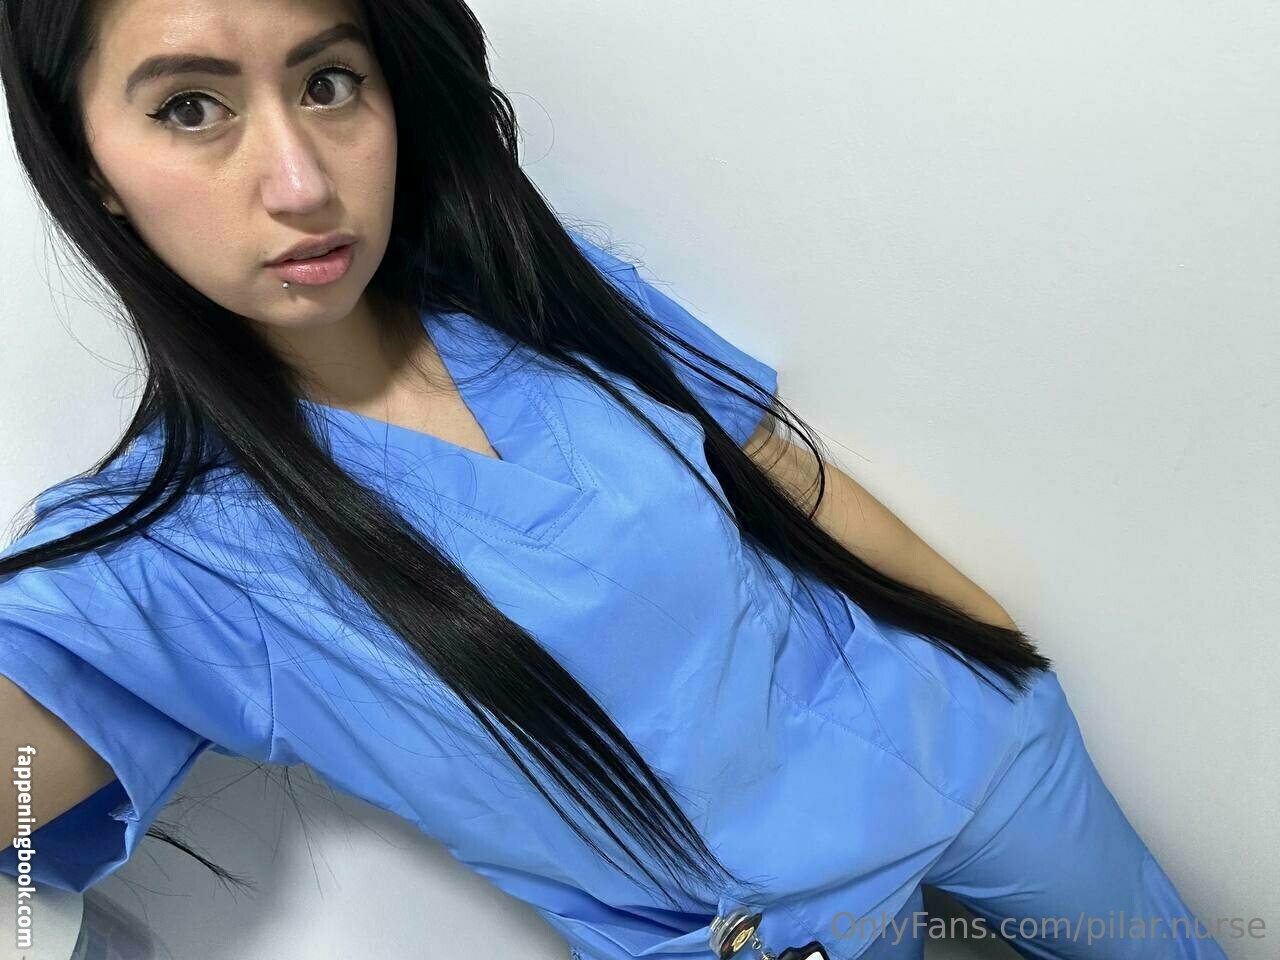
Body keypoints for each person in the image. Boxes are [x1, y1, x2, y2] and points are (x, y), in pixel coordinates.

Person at [0, 2, 1229, 958]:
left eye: (329, 83)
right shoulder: (161, 560)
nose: (302, 182)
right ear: (90, 161)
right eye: (190, 108)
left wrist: (986, 640)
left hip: (971, 747)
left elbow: (773, 465)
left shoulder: (537, 297)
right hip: (763, 931)